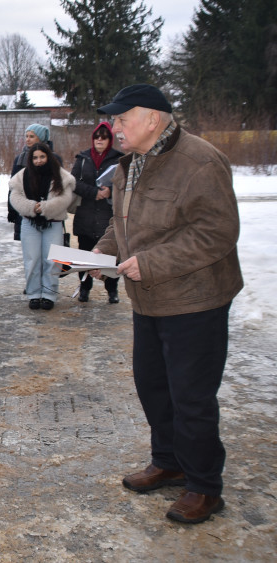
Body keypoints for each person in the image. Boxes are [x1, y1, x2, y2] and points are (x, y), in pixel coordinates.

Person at [92, 84, 241, 525]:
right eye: (114, 121)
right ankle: (169, 461)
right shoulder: (129, 166)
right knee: (153, 386)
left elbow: (217, 233)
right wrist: (101, 252)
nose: (114, 127)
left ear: (153, 119)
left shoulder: (200, 161)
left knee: (191, 397)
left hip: (196, 300)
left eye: (122, 119)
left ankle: (204, 487)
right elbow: (125, 225)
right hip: (149, 301)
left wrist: (152, 263)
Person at [8, 142, 76, 311]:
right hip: (29, 223)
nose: (38, 161)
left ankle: (49, 294)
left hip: (53, 222)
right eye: (35, 157)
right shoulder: (22, 176)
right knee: (32, 260)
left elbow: (65, 198)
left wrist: (44, 207)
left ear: (48, 157)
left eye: (42, 157)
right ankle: (33, 293)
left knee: (51, 260)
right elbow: (15, 197)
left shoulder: (60, 175)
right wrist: (32, 207)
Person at [70, 121, 122, 303]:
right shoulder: (83, 158)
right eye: (97, 136)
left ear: (110, 139)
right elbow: (74, 182)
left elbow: (124, 184)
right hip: (86, 213)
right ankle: (85, 288)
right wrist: (94, 193)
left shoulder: (119, 159)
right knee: (85, 254)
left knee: (110, 255)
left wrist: (110, 193)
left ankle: (112, 290)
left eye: (104, 136)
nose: (100, 139)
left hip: (107, 214)